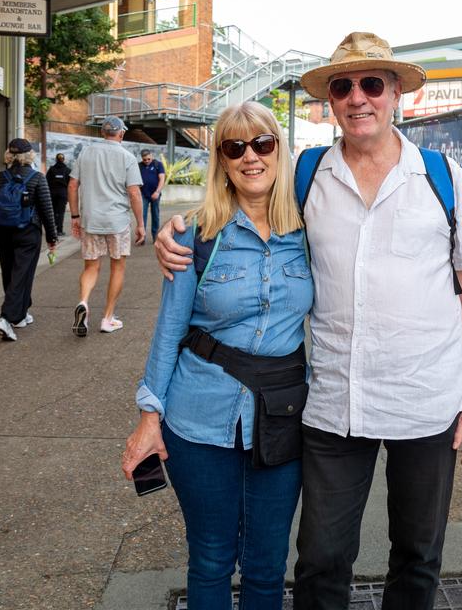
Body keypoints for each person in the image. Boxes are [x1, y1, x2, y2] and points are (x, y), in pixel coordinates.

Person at [155, 32, 462, 610]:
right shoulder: (308, 174)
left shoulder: (441, 177)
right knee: (320, 559)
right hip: (335, 404)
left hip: (427, 399)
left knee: (418, 556)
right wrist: (179, 230)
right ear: (330, 101)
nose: (358, 97)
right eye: (344, 86)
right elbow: (243, 188)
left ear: (396, 95)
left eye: (372, 84)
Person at [122, 102, 313, 610]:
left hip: (283, 420)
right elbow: (168, 333)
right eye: (235, 147)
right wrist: (148, 417)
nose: (251, 156)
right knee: (210, 560)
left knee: (267, 565)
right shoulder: (195, 236)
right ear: (223, 161)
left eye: (262, 144)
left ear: (279, 150)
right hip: (200, 420)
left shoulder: (310, 231)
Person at [67, 116, 145, 336]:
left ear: (103, 132)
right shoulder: (127, 157)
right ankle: (107, 318)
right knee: (117, 267)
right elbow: (134, 192)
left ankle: (83, 302)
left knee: (91, 267)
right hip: (117, 222)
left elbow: (73, 185)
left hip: (91, 220)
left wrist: (75, 216)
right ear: (121, 134)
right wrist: (141, 224)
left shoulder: (86, 153)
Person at [0, 138, 58, 342]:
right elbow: (47, 210)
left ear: (9, 155)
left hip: (2, 232)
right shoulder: (37, 178)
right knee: (22, 274)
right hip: (27, 232)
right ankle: (6, 318)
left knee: (9, 273)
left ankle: (21, 314)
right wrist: (52, 238)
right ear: (29, 155)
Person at [138, 149, 166, 242]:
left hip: (155, 194)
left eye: (148, 159)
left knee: (155, 215)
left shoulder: (158, 165)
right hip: (143, 194)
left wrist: (157, 192)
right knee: (142, 215)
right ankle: (142, 237)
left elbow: (162, 179)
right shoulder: (139, 165)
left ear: (152, 156)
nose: (146, 161)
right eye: (144, 159)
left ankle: (156, 237)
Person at [46, 153, 72, 236]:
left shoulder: (51, 169)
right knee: (61, 212)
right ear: (63, 160)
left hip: (52, 192)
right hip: (63, 193)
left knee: (52, 211)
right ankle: (59, 230)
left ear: (56, 159)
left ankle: (52, 230)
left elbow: (47, 181)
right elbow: (70, 184)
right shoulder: (68, 170)